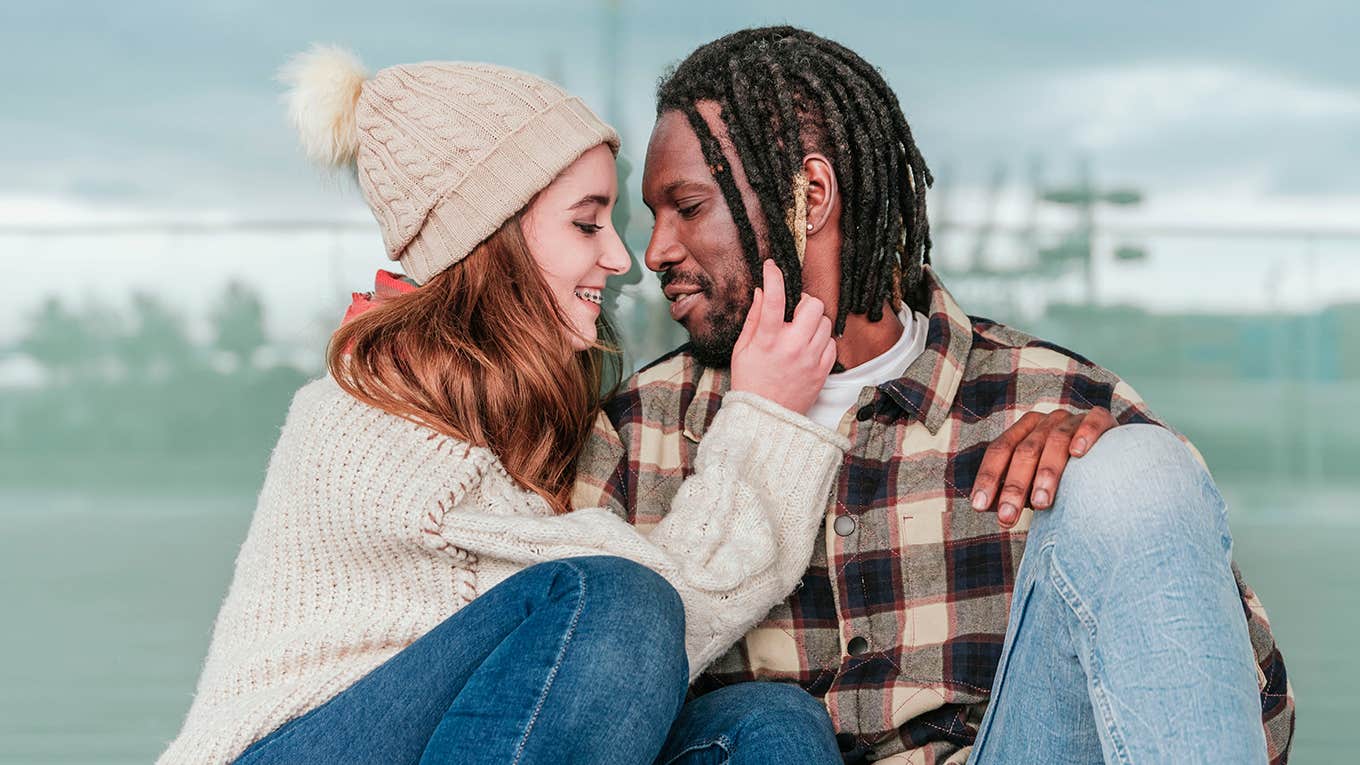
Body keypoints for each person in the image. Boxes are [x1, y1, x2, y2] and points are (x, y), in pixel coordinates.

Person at [568, 27, 1295, 764]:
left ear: (810, 196)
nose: (653, 251)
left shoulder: (1046, 401)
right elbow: (575, 715)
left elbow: (1247, 715)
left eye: (686, 207)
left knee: (1136, 470)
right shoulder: (638, 432)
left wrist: (1095, 495)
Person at [158, 45, 856, 764]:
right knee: (617, 600)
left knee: (766, 723)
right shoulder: (366, 422)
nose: (622, 258)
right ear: (489, 239)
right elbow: (667, 608)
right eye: (587, 223)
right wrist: (768, 416)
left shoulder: (496, 415)